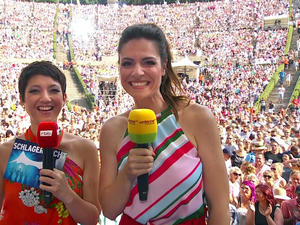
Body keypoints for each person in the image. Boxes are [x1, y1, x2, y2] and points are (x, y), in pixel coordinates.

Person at [98, 23, 230, 225]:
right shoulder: (112, 130)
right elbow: (109, 209)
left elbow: (219, 206)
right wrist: (127, 174)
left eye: (148, 62)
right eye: (127, 63)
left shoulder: (198, 118)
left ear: (164, 66)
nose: (137, 72)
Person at [0, 61, 100, 224]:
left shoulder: (85, 149)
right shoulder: (5, 152)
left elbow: (92, 219)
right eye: (34, 91)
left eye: (53, 90)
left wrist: (68, 195)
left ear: (64, 98)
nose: (45, 98)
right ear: (21, 99)